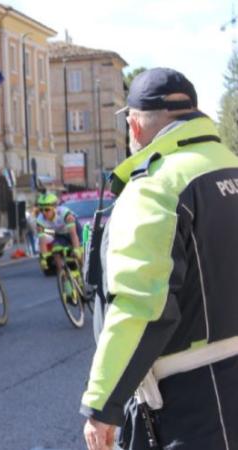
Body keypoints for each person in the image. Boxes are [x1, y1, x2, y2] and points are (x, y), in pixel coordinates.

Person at [81, 68, 238, 450]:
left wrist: (103, 405)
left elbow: (141, 305)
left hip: (193, 402)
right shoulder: (229, 164)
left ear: (134, 126)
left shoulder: (155, 187)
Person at [35, 192, 82, 272]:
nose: (43, 213)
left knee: (79, 254)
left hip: (74, 232)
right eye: (41, 210)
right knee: (56, 251)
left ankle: (82, 272)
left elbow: (73, 235)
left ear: (54, 208)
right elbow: (42, 241)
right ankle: (62, 276)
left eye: (47, 209)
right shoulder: (40, 220)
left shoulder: (65, 214)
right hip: (59, 234)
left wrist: (77, 249)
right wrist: (44, 258)